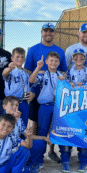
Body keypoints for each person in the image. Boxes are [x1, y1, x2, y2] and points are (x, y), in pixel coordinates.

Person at [24, 23, 67, 163]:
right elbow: (29, 74)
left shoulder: (60, 50)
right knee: (37, 126)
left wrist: (67, 80)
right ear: (42, 32)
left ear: (54, 33)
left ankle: (52, 152)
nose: (48, 33)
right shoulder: (34, 49)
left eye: (51, 31)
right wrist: (31, 91)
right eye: (46, 31)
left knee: (55, 128)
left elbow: (64, 72)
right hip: (39, 95)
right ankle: (37, 155)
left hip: (56, 103)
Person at [29, 51, 65, 173]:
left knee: (58, 132)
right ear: (47, 62)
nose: (54, 63)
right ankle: (39, 159)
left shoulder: (62, 75)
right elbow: (32, 80)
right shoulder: (43, 74)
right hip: (45, 106)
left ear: (59, 63)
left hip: (58, 107)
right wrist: (38, 67)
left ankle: (62, 157)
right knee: (43, 132)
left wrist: (64, 81)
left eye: (56, 61)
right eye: (51, 61)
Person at [2, 95, 52, 173]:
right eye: (11, 105)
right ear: (4, 107)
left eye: (16, 105)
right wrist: (14, 120)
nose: (14, 107)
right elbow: (6, 137)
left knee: (41, 143)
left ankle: (28, 165)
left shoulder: (19, 120)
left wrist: (43, 137)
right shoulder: (2, 120)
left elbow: (27, 135)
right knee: (23, 149)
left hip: (18, 146)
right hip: (8, 151)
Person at [2, 47, 34, 126]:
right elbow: (4, 74)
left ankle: (22, 138)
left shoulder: (26, 72)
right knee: (10, 125)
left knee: (23, 126)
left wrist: (32, 93)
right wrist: (9, 68)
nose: (20, 59)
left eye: (22, 57)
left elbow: (31, 84)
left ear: (25, 59)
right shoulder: (10, 70)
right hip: (12, 102)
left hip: (24, 102)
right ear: (12, 58)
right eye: (17, 57)